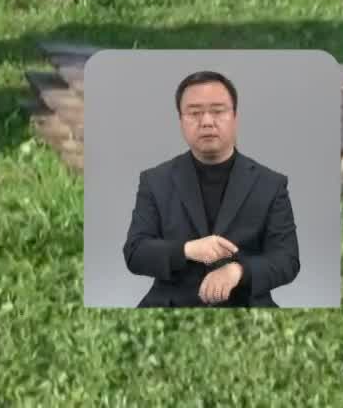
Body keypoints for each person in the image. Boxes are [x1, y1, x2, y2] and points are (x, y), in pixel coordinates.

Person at [122, 71, 301, 307]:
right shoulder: (155, 180)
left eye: (218, 111)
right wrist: (186, 250)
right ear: (180, 120)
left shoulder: (270, 184)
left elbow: (287, 259)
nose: (207, 121)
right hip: (172, 303)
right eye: (194, 113)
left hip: (245, 303)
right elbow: (135, 252)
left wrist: (238, 271)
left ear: (235, 117)